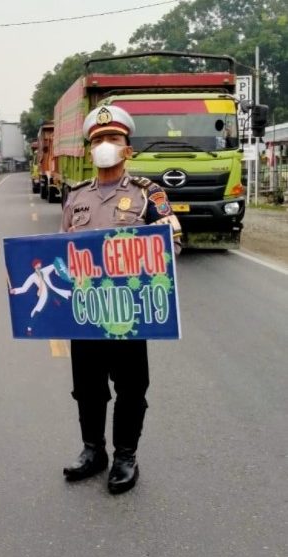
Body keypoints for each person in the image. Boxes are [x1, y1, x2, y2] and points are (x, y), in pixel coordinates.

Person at [60, 105, 182, 494]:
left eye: (113, 138)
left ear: (128, 147)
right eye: (97, 140)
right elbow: (60, 253)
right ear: (88, 149)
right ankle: (93, 450)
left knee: (131, 387)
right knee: (87, 387)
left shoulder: (150, 195)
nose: (105, 146)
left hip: (130, 314)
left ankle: (125, 456)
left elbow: (172, 245)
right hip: (87, 314)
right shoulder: (75, 198)